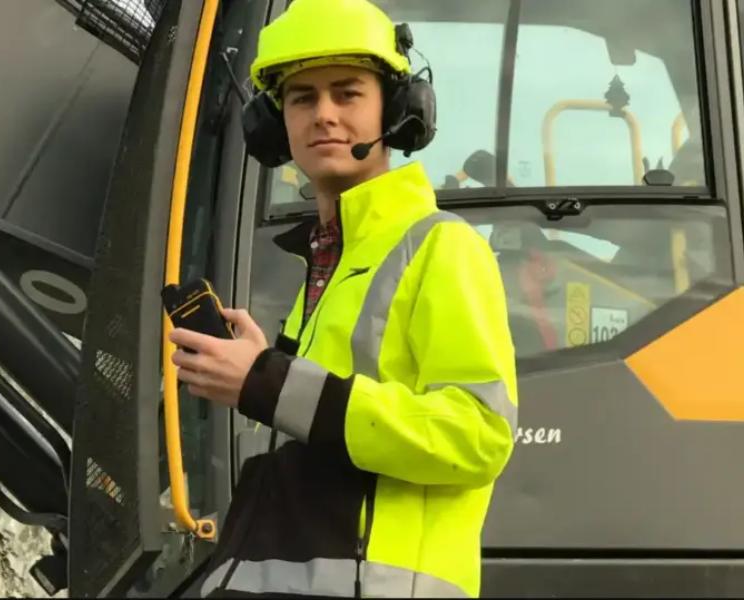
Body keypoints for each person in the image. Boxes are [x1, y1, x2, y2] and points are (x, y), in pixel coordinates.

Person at [169, 0, 518, 596]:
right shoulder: (326, 265)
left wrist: (269, 382)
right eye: (302, 98)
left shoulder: (442, 248)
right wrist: (264, 375)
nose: (324, 114)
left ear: (397, 109)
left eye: (347, 93)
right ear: (275, 125)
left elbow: (478, 436)